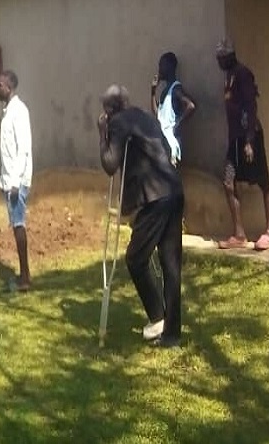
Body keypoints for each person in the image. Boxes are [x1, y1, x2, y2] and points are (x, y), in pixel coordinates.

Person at [98, 84, 183, 347]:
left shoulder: (117, 122)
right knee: (170, 264)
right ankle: (172, 334)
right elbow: (167, 152)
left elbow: (110, 164)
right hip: (174, 190)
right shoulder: (145, 116)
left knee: (135, 258)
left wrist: (102, 133)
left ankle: (157, 318)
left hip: (154, 198)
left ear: (110, 109)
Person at [215, 39, 269, 251]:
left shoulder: (242, 74)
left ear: (230, 56)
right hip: (236, 139)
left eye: (221, 58)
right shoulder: (228, 77)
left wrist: (249, 141)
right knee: (228, 182)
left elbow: (251, 106)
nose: (219, 62)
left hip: (250, 136)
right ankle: (239, 234)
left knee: (263, 182)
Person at [0, 70, 33, 291]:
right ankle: (23, 274)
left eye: (0, 85)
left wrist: (16, 183)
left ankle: (25, 277)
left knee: (19, 225)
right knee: (16, 226)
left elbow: (23, 150)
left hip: (16, 183)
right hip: (9, 180)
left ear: (9, 87)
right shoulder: (7, 111)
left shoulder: (19, 111)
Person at [149, 52, 196, 166]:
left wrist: (176, 124)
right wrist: (153, 91)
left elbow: (191, 106)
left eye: (161, 65)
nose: (159, 69)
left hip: (170, 144)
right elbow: (157, 114)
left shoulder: (175, 89)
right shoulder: (166, 90)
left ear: (169, 67)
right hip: (163, 141)